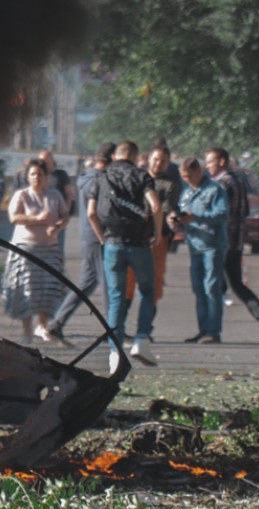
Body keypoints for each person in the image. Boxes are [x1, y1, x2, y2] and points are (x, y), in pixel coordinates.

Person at [87, 140, 161, 373]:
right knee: (147, 291)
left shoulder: (101, 176)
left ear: (117, 155)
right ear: (135, 155)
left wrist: (102, 238)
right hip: (139, 244)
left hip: (112, 244)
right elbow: (156, 206)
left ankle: (114, 352)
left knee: (116, 296)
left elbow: (91, 213)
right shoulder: (142, 175)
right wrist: (157, 233)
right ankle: (141, 339)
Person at [45, 142, 115, 344]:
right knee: (108, 285)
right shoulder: (101, 180)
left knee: (85, 285)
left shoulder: (86, 177)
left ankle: (57, 323)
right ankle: (113, 330)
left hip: (88, 236)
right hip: (97, 236)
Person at [3, 158, 70, 343]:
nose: (36, 178)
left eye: (40, 175)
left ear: (46, 177)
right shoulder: (22, 195)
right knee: (27, 289)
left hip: (49, 249)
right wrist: (38, 218)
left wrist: (57, 226)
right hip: (25, 249)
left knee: (48, 288)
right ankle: (27, 330)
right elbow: (13, 217)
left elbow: (65, 216)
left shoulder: (54, 196)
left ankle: (42, 326)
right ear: (28, 176)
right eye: (33, 174)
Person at [204, 147, 259, 340]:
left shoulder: (221, 184)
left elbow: (216, 213)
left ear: (222, 161)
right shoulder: (238, 181)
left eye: (210, 162)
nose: (207, 166)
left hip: (222, 242)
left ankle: (211, 330)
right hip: (236, 242)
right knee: (236, 285)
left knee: (213, 287)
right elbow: (245, 211)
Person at [122, 144, 181, 318]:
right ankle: (120, 329)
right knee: (128, 284)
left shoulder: (170, 185)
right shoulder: (137, 179)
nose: (158, 164)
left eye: (163, 161)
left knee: (153, 285)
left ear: (168, 163)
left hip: (158, 238)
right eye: (155, 159)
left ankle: (145, 328)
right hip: (134, 237)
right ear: (148, 159)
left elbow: (165, 208)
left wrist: (169, 216)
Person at [174, 156, 227, 344]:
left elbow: (221, 214)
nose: (186, 180)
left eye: (189, 176)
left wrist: (196, 217)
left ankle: (213, 331)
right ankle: (203, 329)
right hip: (194, 245)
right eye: (183, 177)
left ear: (199, 172)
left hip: (212, 244)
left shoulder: (215, 190)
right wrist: (177, 219)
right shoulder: (187, 192)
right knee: (198, 289)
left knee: (211, 287)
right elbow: (183, 212)